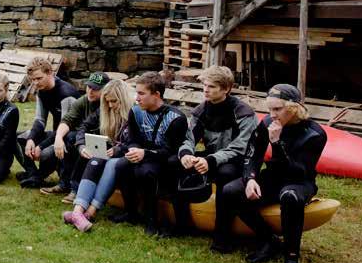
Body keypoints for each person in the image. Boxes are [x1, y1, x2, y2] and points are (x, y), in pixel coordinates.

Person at [219, 84, 326, 263]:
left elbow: (298, 171)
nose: (272, 114)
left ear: (293, 108)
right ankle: (268, 240)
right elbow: (252, 154)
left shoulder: (315, 134)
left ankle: (292, 259)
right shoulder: (268, 122)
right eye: (269, 109)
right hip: (273, 178)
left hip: (299, 181)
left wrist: (277, 144)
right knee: (231, 191)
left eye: (277, 109)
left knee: (290, 196)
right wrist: (250, 178)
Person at [173, 66, 256, 242]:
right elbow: (188, 138)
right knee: (175, 162)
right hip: (210, 157)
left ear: (226, 89)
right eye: (204, 85)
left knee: (225, 173)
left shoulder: (243, 113)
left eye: (211, 86)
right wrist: (186, 154)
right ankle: (182, 224)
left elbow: (240, 147)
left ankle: (222, 234)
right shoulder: (201, 110)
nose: (205, 90)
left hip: (237, 161)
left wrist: (210, 160)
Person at [112, 71, 188, 236]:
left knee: (145, 172)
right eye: (136, 93)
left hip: (165, 160)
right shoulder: (136, 111)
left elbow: (173, 151)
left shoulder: (175, 118)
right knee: (121, 165)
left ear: (156, 95)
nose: (136, 98)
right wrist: (133, 149)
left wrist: (145, 154)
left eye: (141, 93)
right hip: (142, 154)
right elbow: (132, 139)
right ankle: (131, 213)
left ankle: (151, 220)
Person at [62, 80, 133, 232]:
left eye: (114, 101)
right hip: (108, 151)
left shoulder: (135, 112)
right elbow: (84, 126)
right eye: (107, 102)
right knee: (95, 159)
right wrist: (81, 145)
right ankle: (78, 211)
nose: (111, 105)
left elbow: (137, 142)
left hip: (127, 155)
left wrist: (118, 150)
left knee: (111, 164)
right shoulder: (104, 110)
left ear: (123, 99)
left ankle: (90, 212)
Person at [43, 71, 111, 202]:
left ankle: (76, 189)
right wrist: (58, 138)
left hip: (106, 143)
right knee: (69, 137)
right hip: (84, 140)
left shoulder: (109, 103)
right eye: (89, 86)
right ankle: (65, 183)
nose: (90, 91)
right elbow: (67, 120)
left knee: (76, 140)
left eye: (96, 89)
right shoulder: (83, 100)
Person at [15, 57, 80, 189]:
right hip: (55, 135)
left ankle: (40, 176)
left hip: (69, 138)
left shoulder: (66, 94)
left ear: (50, 73)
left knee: (45, 153)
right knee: (17, 137)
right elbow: (40, 120)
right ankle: (33, 174)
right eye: (33, 79)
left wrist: (41, 146)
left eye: (39, 78)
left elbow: (66, 127)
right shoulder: (41, 91)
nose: (36, 83)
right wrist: (32, 139)